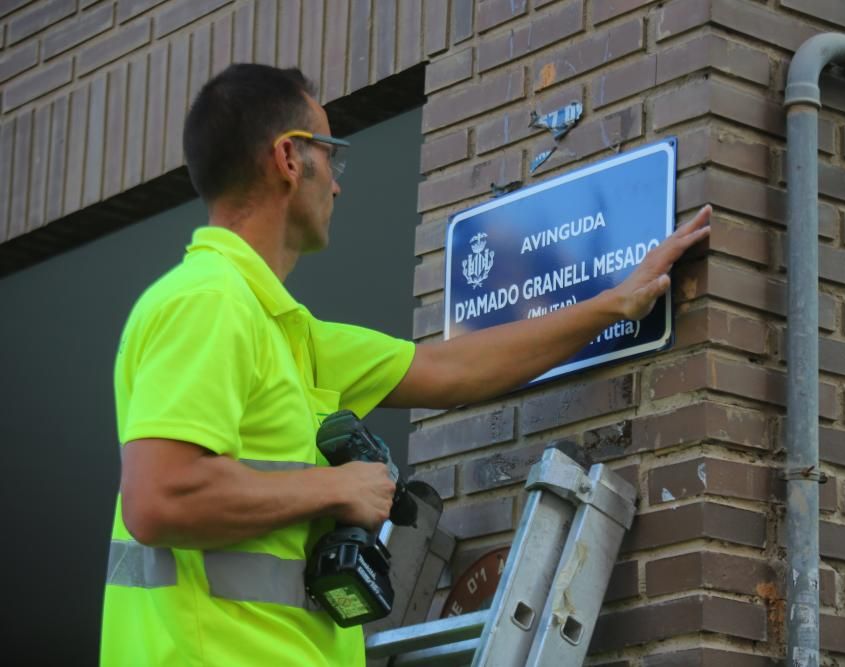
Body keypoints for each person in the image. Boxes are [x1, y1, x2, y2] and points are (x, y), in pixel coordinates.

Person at [100, 63, 711, 666]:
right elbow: (160, 498)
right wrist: (335, 487)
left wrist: (614, 304)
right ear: (289, 159)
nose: (337, 184)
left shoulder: (286, 333)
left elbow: (450, 369)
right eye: (330, 156)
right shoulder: (208, 303)